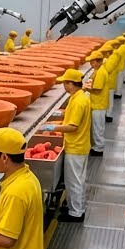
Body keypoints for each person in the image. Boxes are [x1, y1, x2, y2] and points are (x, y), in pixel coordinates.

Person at [42, 69, 92, 222]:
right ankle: (77, 207)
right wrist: (55, 123)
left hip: (76, 146)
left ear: (72, 83)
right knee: (78, 180)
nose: (63, 85)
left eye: (65, 82)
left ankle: (76, 213)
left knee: (74, 181)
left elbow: (73, 126)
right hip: (80, 144)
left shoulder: (78, 101)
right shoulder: (78, 97)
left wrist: (53, 128)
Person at [86, 51, 109, 156]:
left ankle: (98, 149)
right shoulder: (98, 70)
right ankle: (96, 146)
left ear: (99, 61)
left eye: (92, 61)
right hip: (97, 103)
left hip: (99, 104)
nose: (91, 64)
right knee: (96, 127)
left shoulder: (101, 72)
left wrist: (85, 88)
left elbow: (97, 88)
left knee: (97, 128)